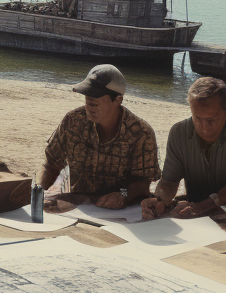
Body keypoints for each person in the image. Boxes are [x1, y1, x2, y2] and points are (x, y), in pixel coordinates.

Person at [39, 64, 160, 210]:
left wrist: (123, 195)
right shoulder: (73, 121)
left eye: (96, 95)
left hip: (120, 212)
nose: (89, 101)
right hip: (78, 208)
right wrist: (42, 194)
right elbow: (52, 163)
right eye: (87, 93)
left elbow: (142, 184)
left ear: (118, 100)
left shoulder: (141, 133)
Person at [141, 77, 226, 220]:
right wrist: (159, 200)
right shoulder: (178, 132)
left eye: (212, 120)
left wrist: (200, 207)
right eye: (197, 118)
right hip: (195, 213)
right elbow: (169, 182)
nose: (204, 128)